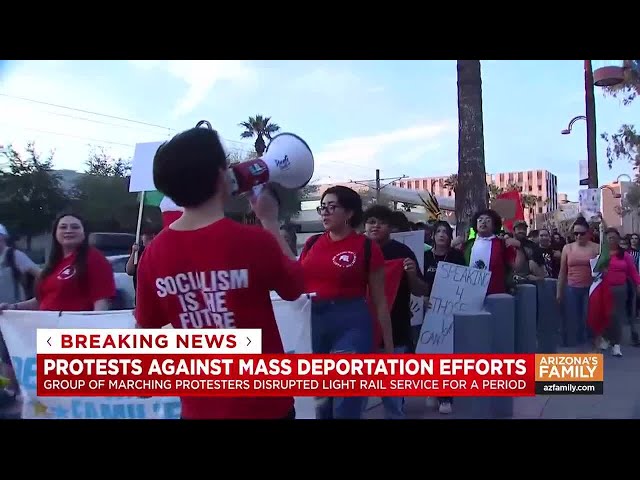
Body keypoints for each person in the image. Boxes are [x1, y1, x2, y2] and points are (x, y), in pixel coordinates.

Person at [134, 125, 304, 420]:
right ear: (221, 176)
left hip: (199, 410)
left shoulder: (153, 255)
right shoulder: (254, 241)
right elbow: (295, 286)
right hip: (266, 406)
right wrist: (269, 221)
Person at [300, 185, 393, 419]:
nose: (325, 213)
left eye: (332, 207)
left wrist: (389, 349)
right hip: (314, 323)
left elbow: (380, 301)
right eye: (322, 207)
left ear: (349, 213)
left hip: (352, 323)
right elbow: (294, 279)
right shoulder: (312, 244)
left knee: (346, 401)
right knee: (319, 402)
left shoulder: (366, 247)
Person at [363, 205, 429, 419]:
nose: (375, 226)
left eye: (381, 222)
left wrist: (410, 275)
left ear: (390, 227)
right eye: (371, 221)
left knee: (391, 391)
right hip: (359, 328)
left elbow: (421, 291)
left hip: (396, 327)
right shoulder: (357, 251)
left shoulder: (402, 253)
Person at [0, 213, 115, 313]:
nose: (68, 230)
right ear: (55, 233)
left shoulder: (94, 258)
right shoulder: (54, 263)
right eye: (63, 227)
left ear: (84, 233)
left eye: (75, 227)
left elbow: (102, 301)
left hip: (72, 332)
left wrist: (93, 331)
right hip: (46, 329)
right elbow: (41, 302)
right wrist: (13, 307)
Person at [423, 220, 465, 415]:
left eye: (445, 232)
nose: (441, 235)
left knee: (447, 355)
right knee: (430, 354)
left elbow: (464, 283)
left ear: (450, 237)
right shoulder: (424, 257)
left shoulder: (456, 256)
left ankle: (446, 396)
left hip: (449, 312)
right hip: (427, 312)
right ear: (433, 235)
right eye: (438, 231)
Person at [0, 224, 41, 407]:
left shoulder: (14, 256)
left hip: (14, 314)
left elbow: (40, 275)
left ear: (3, 238)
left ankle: (14, 393)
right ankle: (8, 391)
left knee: (11, 353)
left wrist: (35, 298)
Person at [556, 216, 599, 346]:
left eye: (582, 233)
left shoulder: (596, 248)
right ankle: (572, 341)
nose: (578, 236)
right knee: (572, 316)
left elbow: (601, 270)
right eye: (576, 233)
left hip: (589, 288)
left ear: (588, 233)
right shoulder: (567, 248)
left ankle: (589, 339)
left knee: (588, 316)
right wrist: (559, 291)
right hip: (572, 287)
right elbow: (562, 272)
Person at [598, 227, 640, 356]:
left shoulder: (625, 255)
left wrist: (638, 284)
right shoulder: (601, 254)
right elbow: (594, 269)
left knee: (617, 316)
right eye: (609, 237)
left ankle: (616, 344)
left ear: (618, 239)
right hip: (604, 288)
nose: (612, 240)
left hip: (620, 289)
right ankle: (606, 338)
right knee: (606, 315)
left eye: (614, 237)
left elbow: (633, 271)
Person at [462, 209, 519, 295]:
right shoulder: (468, 245)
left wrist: (519, 247)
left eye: (488, 220)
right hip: (470, 294)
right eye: (480, 220)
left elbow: (515, 266)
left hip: (495, 294)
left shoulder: (503, 244)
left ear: (494, 225)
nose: (483, 222)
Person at [125, 228, 158, 293]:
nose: (150, 239)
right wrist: (134, 252)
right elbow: (129, 271)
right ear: (141, 238)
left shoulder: (159, 252)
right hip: (140, 294)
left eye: (151, 237)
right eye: (147, 237)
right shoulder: (138, 253)